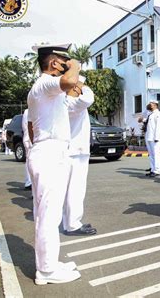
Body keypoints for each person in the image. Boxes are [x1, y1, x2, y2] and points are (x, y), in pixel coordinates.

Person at [27, 43, 81, 284]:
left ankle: (49, 262)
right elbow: (70, 82)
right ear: (53, 63)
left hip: (50, 151)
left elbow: (73, 90)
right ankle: (46, 271)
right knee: (49, 215)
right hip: (49, 152)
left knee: (49, 214)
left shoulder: (48, 90)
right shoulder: (45, 84)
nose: (67, 64)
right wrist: (76, 65)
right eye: (64, 60)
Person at [62, 76, 97, 236]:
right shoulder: (71, 102)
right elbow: (88, 98)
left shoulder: (64, 101)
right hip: (76, 152)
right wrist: (82, 85)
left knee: (69, 189)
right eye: (78, 86)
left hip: (72, 150)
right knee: (75, 189)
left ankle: (69, 221)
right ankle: (73, 224)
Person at [144, 100, 160, 177]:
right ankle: (152, 169)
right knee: (151, 154)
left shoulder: (157, 114)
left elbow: (158, 127)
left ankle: (157, 170)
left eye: (151, 104)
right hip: (149, 136)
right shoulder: (150, 114)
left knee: (156, 154)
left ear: (155, 105)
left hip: (154, 138)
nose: (149, 105)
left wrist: (157, 137)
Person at [22, 109, 32, 191]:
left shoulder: (27, 111)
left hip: (29, 139)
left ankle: (29, 182)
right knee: (31, 161)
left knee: (29, 161)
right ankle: (29, 182)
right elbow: (27, 127)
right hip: (30, 140)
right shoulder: (28, 111)